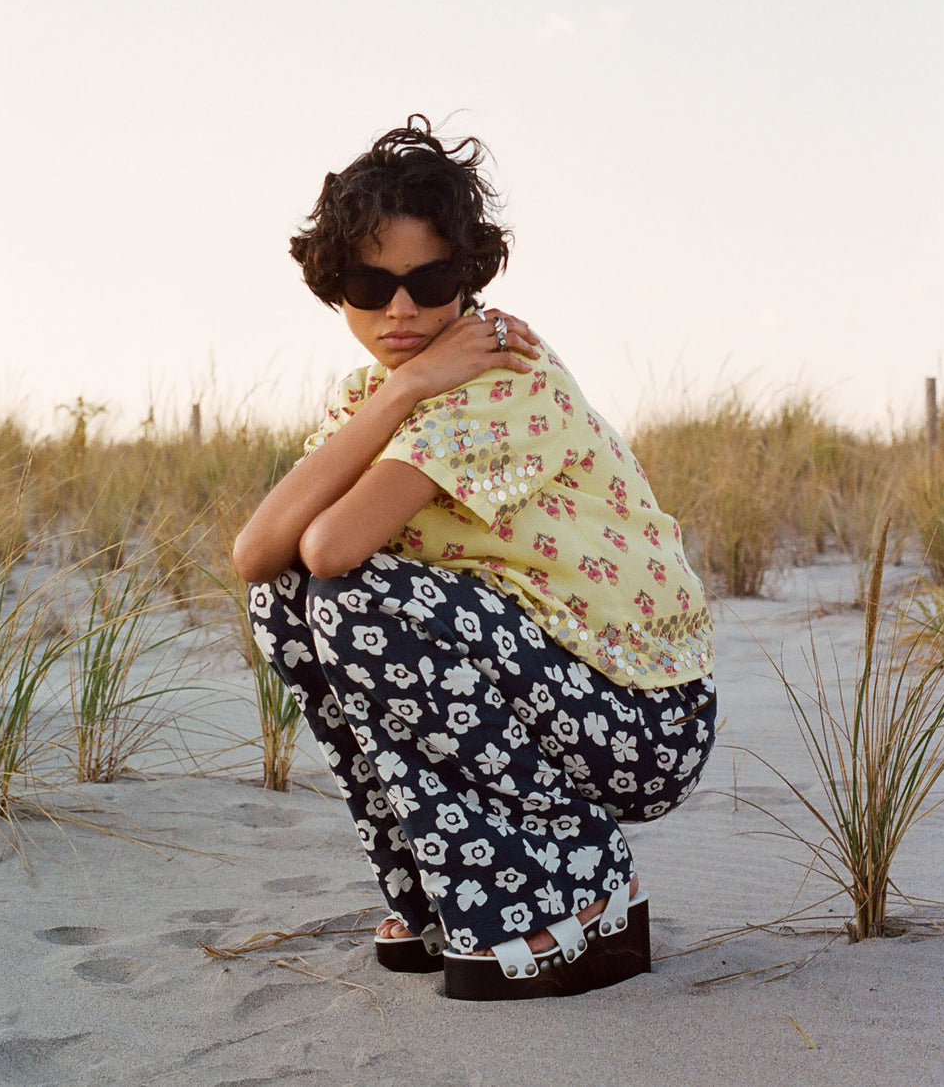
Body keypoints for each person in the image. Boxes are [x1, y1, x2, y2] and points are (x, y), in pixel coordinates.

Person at [234, 115, 716, 1001]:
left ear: (473, 275)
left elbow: (335, 545)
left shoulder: (502, 375)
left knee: (352, 597)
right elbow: (259, 554)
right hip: (548, 690)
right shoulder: (383, 391)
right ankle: (439, 887)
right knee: (287, 601)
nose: (403, 311)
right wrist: (406, 389)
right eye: (370, 285)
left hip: (645, 721)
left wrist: (414, 390)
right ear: (333, 290)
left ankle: (581, 887)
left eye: (432, 280)